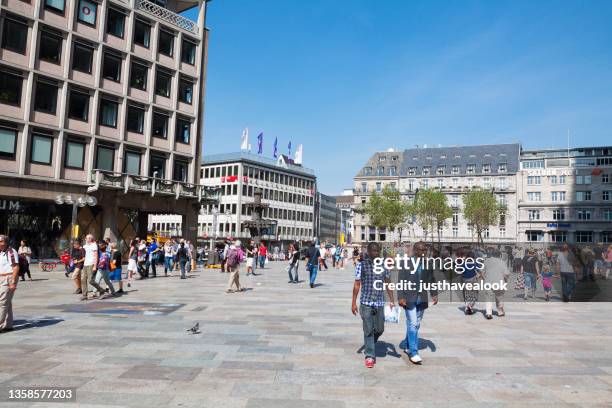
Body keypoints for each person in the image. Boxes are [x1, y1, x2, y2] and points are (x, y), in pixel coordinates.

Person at [351, 242, 394, 368]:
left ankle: (370, 343)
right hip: (366, 302)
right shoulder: (361, 265)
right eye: (373, 251)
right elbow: (357, 284)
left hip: (379, 302)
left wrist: (392, 300)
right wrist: (353, 302)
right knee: (368, 329)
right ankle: (370, 355)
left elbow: (388, 283)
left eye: (377, 251)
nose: (375, 253)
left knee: (380, 329)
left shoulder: (384, 266)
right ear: (368, 252)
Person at [397, 242, 438, 364]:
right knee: (413, 323)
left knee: (416, 323)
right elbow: (401, 281)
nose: (423, 252)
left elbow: (431, 279)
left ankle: (408, 345)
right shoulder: (406, 263)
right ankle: (413, 352)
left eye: (425, 249)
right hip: (409, 297)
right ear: (415, 250)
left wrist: (434, 293)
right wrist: (400, 297)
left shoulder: (427, 263)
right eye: (420, 250)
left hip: (422, 297)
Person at [481, 248, 509, 319]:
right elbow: (506, 274)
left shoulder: (486, 261)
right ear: (499, 255)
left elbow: (481, 272)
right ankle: (500, 312)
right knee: (499, 297)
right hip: (499, 282)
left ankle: (489, 313)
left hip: (488, 282)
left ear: (492, 254)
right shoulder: (502, 262)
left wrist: (485, 278)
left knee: (488, 297)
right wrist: (506, 280)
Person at [0, 235, 19, 333]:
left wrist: (13, 282)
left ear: (5, 242)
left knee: (2, 302)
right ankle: (8, 324)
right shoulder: (1, 252)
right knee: (7, 302)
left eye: (0, 241)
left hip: (8, 277)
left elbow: (15, 267)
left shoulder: (11, 252)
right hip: (1, 277)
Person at [80, 234, 104, 301]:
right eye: (86, 238)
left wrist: (95, 266)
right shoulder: (85, 246)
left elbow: (96, 256)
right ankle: (84, 295)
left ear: (90, 239)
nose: (85, 239)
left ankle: (101, 290)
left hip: (91, 264)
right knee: (83, 279)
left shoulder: (94, 245)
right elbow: (81, 249)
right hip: (85, 264)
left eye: (87, 238)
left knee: (91, 281)